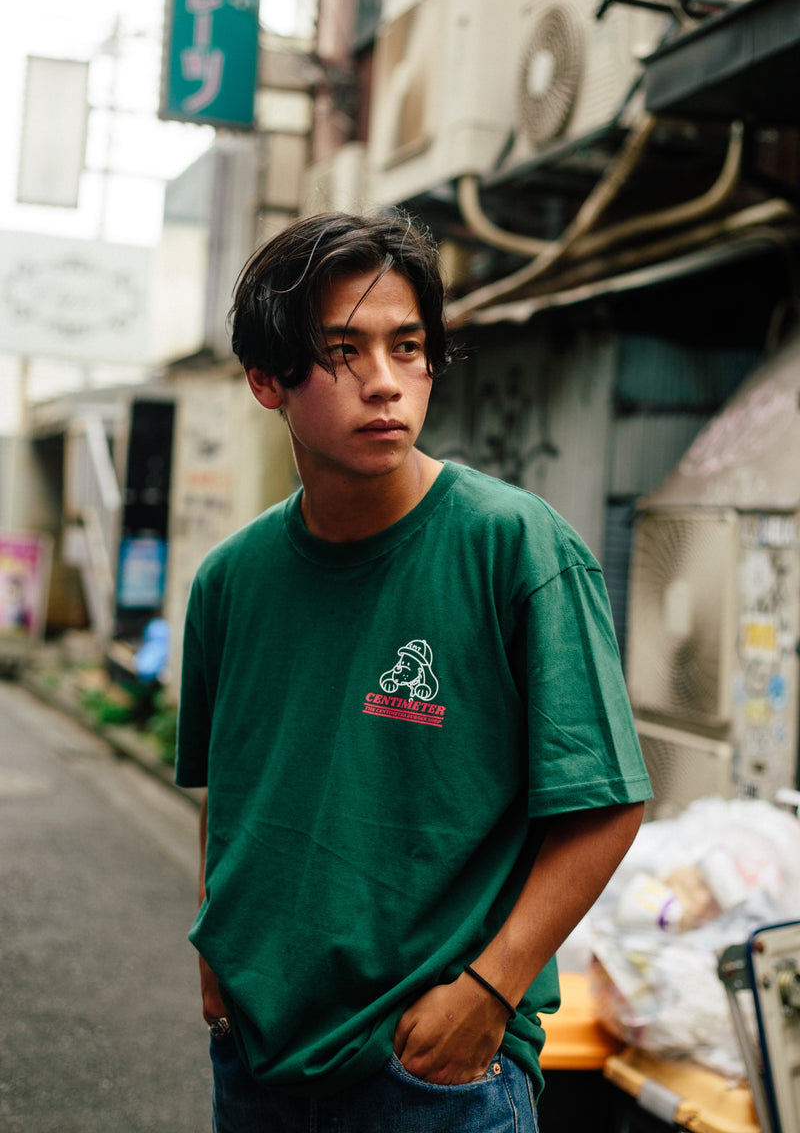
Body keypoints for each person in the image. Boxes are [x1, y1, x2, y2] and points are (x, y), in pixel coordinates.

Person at [175, 210, 652, 1132]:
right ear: (267, 378)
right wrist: (216, 955)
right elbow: (229, 792)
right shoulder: (230, 581)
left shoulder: (515, 547)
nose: (386, 382)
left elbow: (605, 806)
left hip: (434, 1075)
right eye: (343, 352)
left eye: (408, 347)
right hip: (257, 1063)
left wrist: (489, 990)